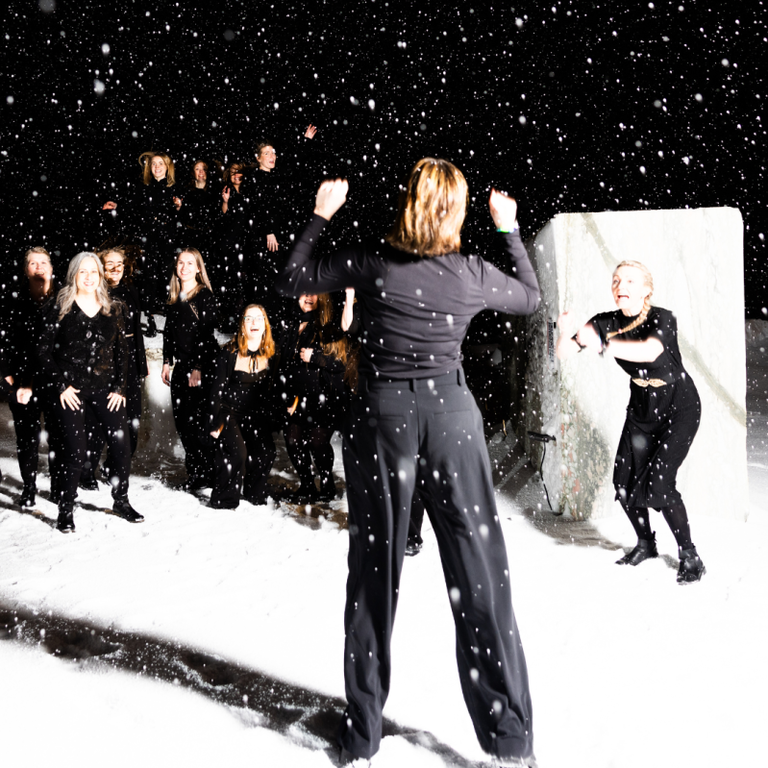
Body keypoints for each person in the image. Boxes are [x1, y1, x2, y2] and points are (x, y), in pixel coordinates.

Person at [275, 159, 540, 767]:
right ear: (457, 211)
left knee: (374, 574)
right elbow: (529, 297)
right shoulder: (471, 272)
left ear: (408, 204)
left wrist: (320, 214)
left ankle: (362, 734)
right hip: (452, 423)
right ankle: (510, 739)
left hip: (383, 421)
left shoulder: (375, 264)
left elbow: (293, 278)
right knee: (480, 575)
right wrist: (508, 229)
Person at [556, 260, 706, 584]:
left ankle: (690, 554)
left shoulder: (662, 318)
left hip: (679, 406)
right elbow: (564, 352)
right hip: (641, 409)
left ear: (646, 290)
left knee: (660, 484)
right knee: (622, 483)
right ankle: (646, 543)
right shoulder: (606, 321)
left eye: (629, 281)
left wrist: (603, 343)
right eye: (616, 280)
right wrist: (564, 330)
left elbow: (649, 352)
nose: (620, 286)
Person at [38, 252, 144, 533]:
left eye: (93, 272)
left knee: (121, 447)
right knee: (75, 450)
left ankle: (121, 501)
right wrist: (61, 385)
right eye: (82, 272)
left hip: (105, 389)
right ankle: (66, 508)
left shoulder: (113, 308)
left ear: (100, 276)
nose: (88, 277)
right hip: (71, 390)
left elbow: (122, 351)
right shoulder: (59, 306)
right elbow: (43, 352)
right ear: (74, 275)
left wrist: (120, 387)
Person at [80, 247, 148, 488]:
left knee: (132, 420)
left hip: (130, 361)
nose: (116, 268)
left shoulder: (131, 291)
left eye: (120, 263)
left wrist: (140, 364)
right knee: (98, 419)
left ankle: (113, 468)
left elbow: (136, 330)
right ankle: (86, 471)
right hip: (105, 363)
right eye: (110, 263)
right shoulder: (95, 291)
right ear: (101, 267)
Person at [277, 292, 351, 502]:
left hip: (323, 397)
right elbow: (282, 362)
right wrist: (286, 396)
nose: (308, 296)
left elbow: (341, 362)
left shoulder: (329, 324)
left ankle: (327, 485)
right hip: (296, 397)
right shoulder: (290, 323)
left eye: (314, 292)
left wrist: (316, 357)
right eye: (304, 291)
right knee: (292, 440)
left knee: (317, 443)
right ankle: (307, 484)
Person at [0, 247, 58, 507]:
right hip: (22, 383)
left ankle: (57, 486)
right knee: (27, 438)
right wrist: (7, 376)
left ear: (52, 268)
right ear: (25, 270)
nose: (39, 267)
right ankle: (29, 487)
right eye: (33, 263)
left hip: (55, 380)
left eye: (43, 262)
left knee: (59, 436)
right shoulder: (12, 303)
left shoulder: (63, 300)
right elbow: (3, 343)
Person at [103, 152, 182, 334]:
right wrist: (117, 206)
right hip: (149, 238)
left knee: (166, 274)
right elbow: (132, 207)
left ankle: (166, 311)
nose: (157, 167)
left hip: (168, 239)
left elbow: (182, 215)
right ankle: (150, 315)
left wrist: (179, 207)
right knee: (148, 275)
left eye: (160, 163)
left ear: (167, 166)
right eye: (153, 164)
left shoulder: (175, 188)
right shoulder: (144, 188)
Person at [208, 304, 278, 509]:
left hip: (255, 414)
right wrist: (214, 422)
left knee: (266, 452)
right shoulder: (229, 353)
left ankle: (254, 494)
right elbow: (215, 391)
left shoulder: (272, 354)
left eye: (259, 318)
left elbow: (274, 389)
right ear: (242, 325)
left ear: (265, 325)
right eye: (249, 318)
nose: (254, 322)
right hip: (228, 412)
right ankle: (224, 499)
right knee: (238, 454)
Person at [162, 248, 219, 490]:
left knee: (200, 425)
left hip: (202, 368)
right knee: (184, 424)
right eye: (180, 263)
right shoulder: (175, 297)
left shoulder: (204, 296)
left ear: (198, 268)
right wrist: (166, 360)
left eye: (189, 263)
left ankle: (210, 473)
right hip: (181, 368)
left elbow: (206, 334)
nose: (184, 267)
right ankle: (196, 474)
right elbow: (168, 332)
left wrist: (198, 367)